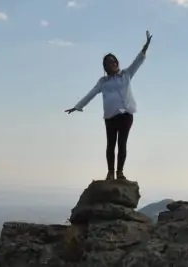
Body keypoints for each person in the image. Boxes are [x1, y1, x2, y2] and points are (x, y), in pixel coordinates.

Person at [65, 31, 152, 181]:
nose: (110, 64)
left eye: (112, 61)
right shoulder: (103, 82)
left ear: (117, 62)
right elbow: (91, 93)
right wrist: (77, 106)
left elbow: (137, 62)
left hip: (126, 115)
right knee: (110, 144)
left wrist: (145, 48)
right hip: (110, 116)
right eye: (107, 63)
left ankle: (120, 172)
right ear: (105, 67)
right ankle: (110, 172)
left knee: (122, 144)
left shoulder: (126, 75)